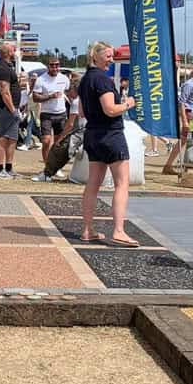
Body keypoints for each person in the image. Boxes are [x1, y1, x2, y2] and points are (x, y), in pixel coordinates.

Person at [79, 41, 137, 246]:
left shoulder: (85, 80)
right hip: (110, 135)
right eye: (108, 56)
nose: (111, 60)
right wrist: (128, 103)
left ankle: (88, 229)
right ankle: (119, 231)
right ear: (95, 56)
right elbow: (110, 109)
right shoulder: (103, 80)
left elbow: (81, 112)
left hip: (92, 134)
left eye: (112, 56)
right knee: (122, 183)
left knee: (93, 184)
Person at [162, 63, 193, 177]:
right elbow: (182, 103)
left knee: (192, 139)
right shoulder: (189, 84)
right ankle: (168, 165)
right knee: (183, 140)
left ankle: (188, 161)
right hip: (189, 115)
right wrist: (185, 121)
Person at [31, 55, 70, 182]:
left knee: (58, 143)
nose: (55, 68)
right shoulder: (41, 79)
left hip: (61, 114)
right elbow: (35, 98)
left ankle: (56, 167)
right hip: (47, 114)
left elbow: (69, 92)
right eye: (52, 65)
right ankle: (47, 168)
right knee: (46, 141)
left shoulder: (64, 79)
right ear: (48, 66)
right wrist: (50, 96)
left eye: (57, 65)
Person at [0, 40, 20, 178]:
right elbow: (4, 91)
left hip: (11, 108)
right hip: (4, 108)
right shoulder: (2, 68)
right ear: (8, 52)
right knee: (3, 138)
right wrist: (12, 110)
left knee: (12, 138)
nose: (15, 51)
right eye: (13, 49)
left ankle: (9, 168)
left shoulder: (9, 66)